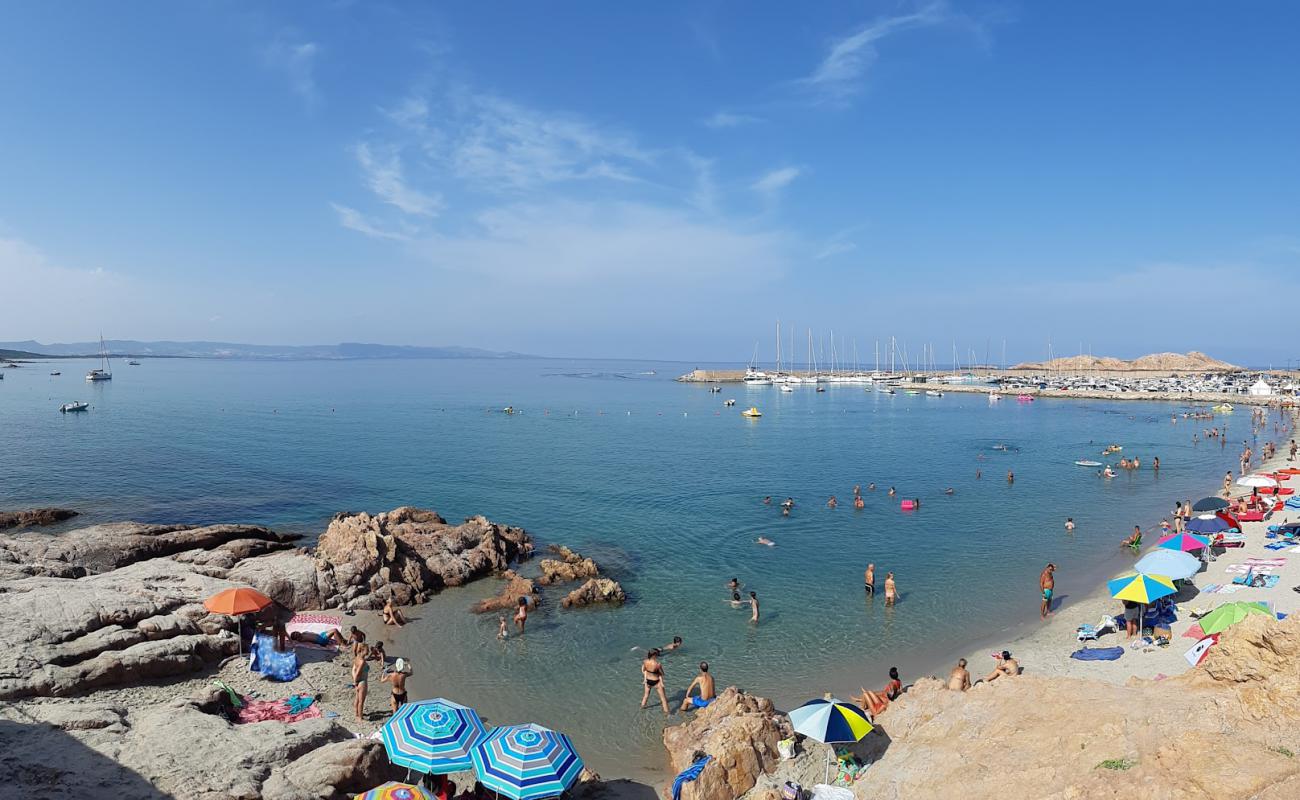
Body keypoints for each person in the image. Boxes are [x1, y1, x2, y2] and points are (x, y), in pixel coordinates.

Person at [640, 647, 669, 714]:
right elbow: (662, 674)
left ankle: (642, 708)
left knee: (646, 696)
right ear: (654, 655)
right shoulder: (658, 664)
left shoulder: (645, 661)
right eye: (657, 654)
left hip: (648, 681)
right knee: (663, 699)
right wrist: (657, 673)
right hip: (656, 682)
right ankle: (667, 715)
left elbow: (644, 670)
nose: (658, 656)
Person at [352, 648, 369, 721]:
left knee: (357, 699)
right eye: (367, 650)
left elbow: (353, 670)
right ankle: (360, 717)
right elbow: (358, 672)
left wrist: (355, 681)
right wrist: (355, 681)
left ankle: (356, 713)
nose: (368, 651)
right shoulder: (362, 661)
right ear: (362, 650)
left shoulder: (357, 658)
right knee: (361, 701)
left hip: (358, 682)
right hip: (362, 682)